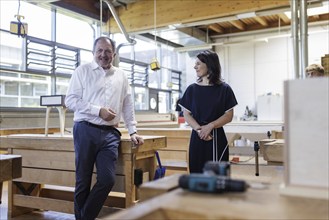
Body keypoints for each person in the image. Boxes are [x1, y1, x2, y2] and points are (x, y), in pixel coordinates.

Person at [65, 36, 144, 220]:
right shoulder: (82, 71)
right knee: (83, 181)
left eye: (108, 51)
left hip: (110, 133)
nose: (103, 54)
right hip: (84, 130)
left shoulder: (121, 75)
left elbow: (127, 104)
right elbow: (70, 100)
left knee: (107, 179)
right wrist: (97, 110)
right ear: (93, 52)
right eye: (99, 50)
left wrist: (133, 130)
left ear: (114, 54)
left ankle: (84, 217)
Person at [179, 50, 238, 173]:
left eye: (198, 63)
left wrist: (210, 126)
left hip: (215, 138)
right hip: (197, 137)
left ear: (209, 65)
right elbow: (186, 114)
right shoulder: (192, 89)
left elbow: (229, 116)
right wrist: (200, 130)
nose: (195, 67)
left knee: (217, 177)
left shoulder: (224, 89)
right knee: (196, 173)